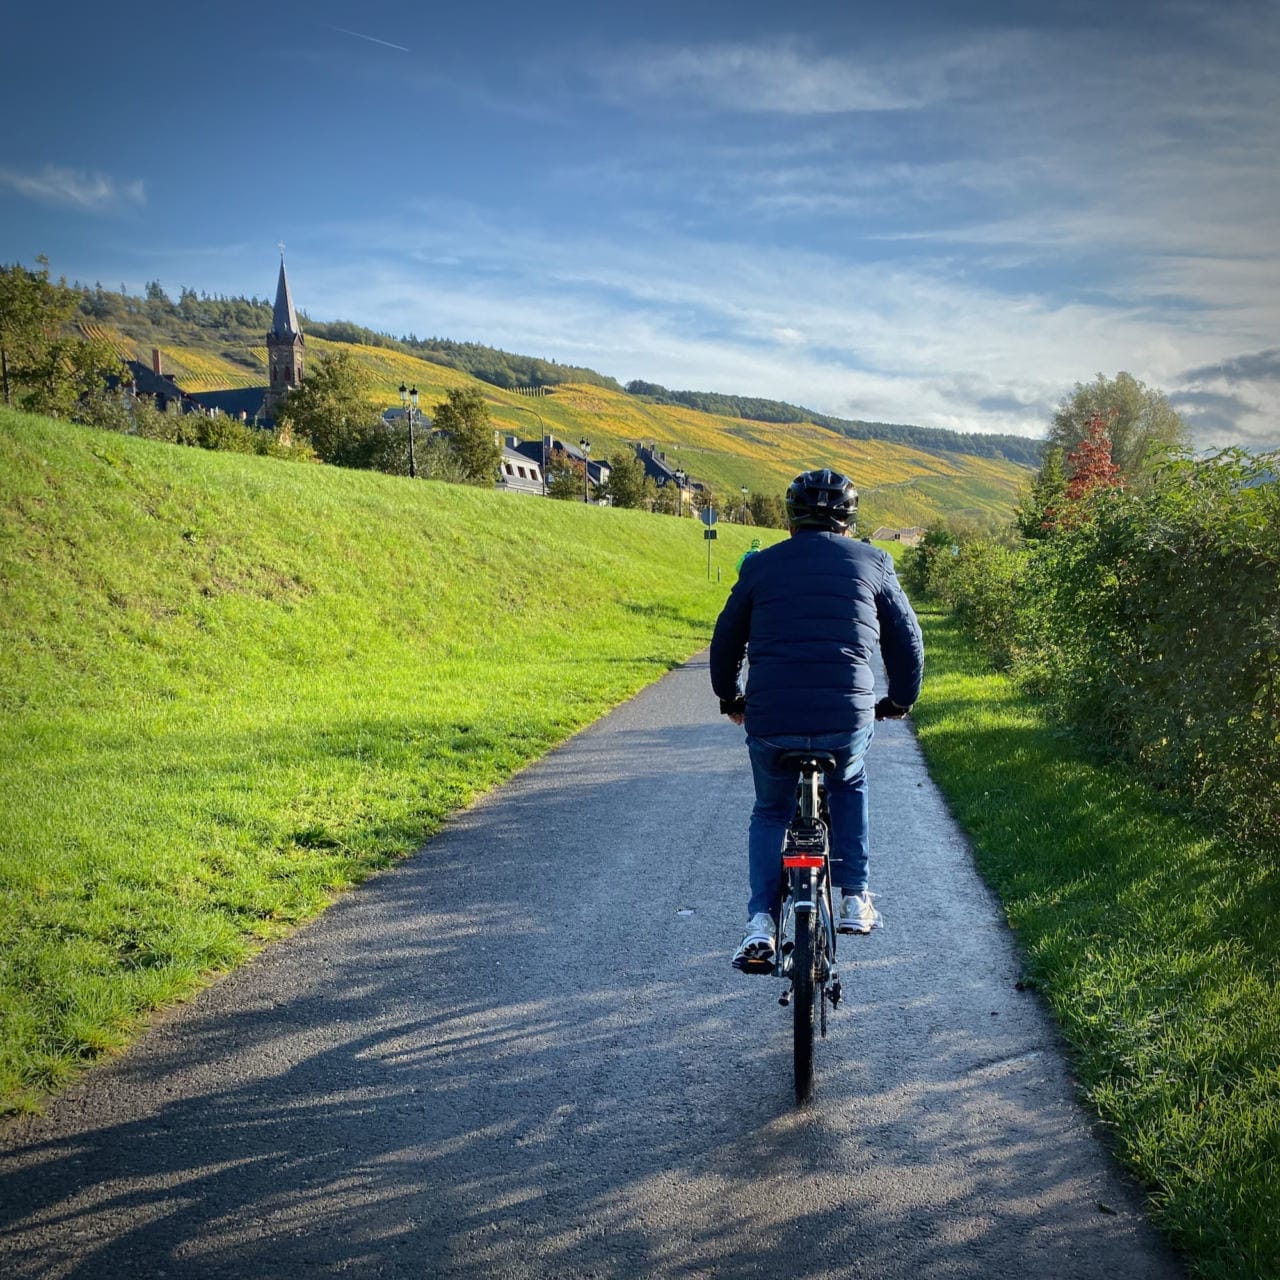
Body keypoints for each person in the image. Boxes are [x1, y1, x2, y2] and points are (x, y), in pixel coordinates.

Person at [709, 468, 924, 969]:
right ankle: (855, 897)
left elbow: (725, 640)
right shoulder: (875, 561)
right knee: (849, 783)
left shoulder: (760, 567)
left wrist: (729, 698)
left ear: (790, 518)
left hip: (771, 716)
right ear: (849, 519)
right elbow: (907, 641)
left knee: (770, 811)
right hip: (844, 716)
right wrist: (899, 700)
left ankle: (759, 923)